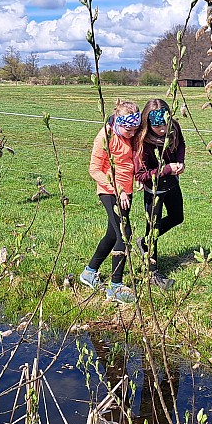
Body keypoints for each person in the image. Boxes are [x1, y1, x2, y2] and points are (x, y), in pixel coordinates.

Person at [79, 100, 146, 303]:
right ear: (118, 121)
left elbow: (129, 161)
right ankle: (116, 286)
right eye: (129, 130)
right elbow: (94, 170)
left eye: (136, 130)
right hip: (110, 191)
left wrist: (137, 179)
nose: (133, 134)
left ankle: (89, 272)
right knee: (124, 234)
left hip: (126, 191)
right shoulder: (105, 136)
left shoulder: (130, 134)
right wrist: (118, 191)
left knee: (112, 233)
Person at [134, 99, 185, 290]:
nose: (162, 129)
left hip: (172, 185)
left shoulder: (174, 127)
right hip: (153, 190)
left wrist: (180, 161)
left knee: (177, 217)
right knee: (153, 227)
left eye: (165, 124)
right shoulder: (143, 142)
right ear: (148, 124)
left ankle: (144, 242)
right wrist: (166, 169)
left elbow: (181, 143)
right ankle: (152, 271)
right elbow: (141, 175)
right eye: (157, 126)